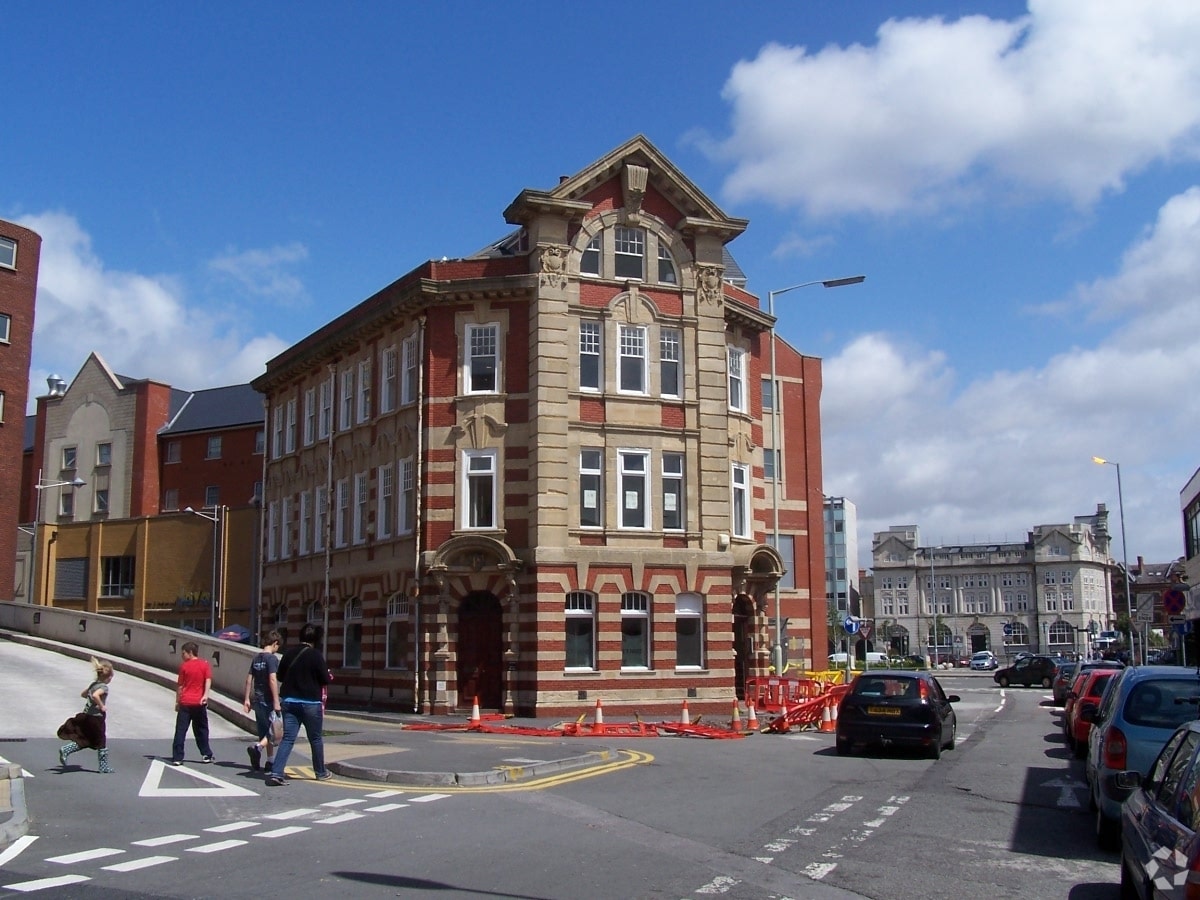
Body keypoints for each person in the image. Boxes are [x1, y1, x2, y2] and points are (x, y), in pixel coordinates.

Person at [266, 623, 332, 786]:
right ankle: (320, 772)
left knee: (288, 739)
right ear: (315, 639)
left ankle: (277, 772)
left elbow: (280, 676)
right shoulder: (316, 656)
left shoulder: (288, 654)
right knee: (315, 738)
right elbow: (325, 679)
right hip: (311, 703)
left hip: (289, 702)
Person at [57, 657, 116, 773]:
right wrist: (101, 705)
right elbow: (95, 695)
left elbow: (84, 694)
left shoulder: (93, 684)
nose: (111, 680)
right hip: (97, 718)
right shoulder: (104, 687)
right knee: (101, 741)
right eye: (111, 677)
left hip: (87, 716)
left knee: (85, 739)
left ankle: (66, 750)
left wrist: (92, 698)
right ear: (108, 677)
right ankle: (103, 767)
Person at [243, 630, 282, 773]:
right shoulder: (271, 659)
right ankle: (258, 747)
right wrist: (276, 700)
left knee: (264, 730)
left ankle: (269, 761)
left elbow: (248, 680)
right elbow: (272, 679)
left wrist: (247, 699)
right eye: (278, 647)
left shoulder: (256, 658)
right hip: (268, 699)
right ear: (275, 643)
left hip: (257, 699)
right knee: (276, 729)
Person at [171, 641, 215, 766]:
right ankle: (206, 753)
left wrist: (177, 701)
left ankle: (177, 757)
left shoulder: (184, 667)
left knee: (181, 730)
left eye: (183, 653)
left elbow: (180, 686)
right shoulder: (204, 665)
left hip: (185, 702)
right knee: (201, 729)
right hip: (199, 702)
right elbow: (208, 680)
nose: (182, 656)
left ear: (190, 653)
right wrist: (205, 695)